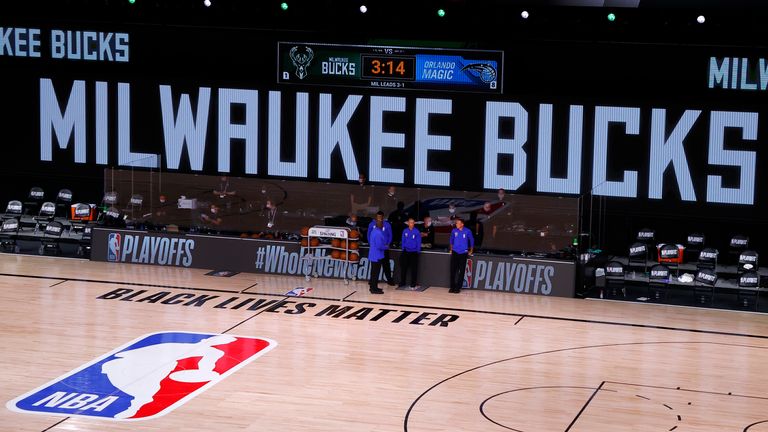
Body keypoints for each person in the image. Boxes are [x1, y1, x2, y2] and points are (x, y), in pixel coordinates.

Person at [367, 211, 395, 285]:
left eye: (380, 217)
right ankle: (372, 281)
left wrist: (387, 245)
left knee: (386, 264)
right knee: (374, 266)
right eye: (378, 217)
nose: (379, 219)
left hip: (384, 248)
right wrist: (371, 244)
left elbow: (390, 235)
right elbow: (368, 234)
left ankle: (389, 280)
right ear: (376, 217)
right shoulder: (372, 224)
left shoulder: (387, 225)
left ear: (383, 217)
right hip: (375, 249)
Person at [449, 218, 474, 294]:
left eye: (458, 223)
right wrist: (451, 249)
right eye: (456, 223)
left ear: (462, 224)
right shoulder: (454, 231)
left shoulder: (467, 231)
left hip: (463, 253)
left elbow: (472, 240)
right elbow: (451, 240)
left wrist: (471, 250)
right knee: (453, 270)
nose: (456, 224)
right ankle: (452, 287)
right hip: (455, 252)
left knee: (461, 270)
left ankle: (458, 287)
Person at [400, 217, 422, 288]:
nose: (411, 224)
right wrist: (403, 249)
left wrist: (417, 251)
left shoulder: (417, 231)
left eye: (412, 222)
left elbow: (419, 242)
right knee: (404, 268)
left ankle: (413, 283)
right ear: (408, 223)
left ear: (414, 223)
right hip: (406, 252)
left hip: (414, 252)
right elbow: (403, 240)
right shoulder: (405, 231)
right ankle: (402, 282)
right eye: (410, 222)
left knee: (414, 269)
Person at [367, 219, 388, 294]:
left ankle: (373, 287)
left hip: (373, 255)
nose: (383, 225)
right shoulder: (378, 233)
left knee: (373, 272)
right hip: (377, 256)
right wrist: (386, 247)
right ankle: (374, 289)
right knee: (375, 273)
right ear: (380, 225)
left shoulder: (373, 231)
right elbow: (379, 246)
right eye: (382, 224)